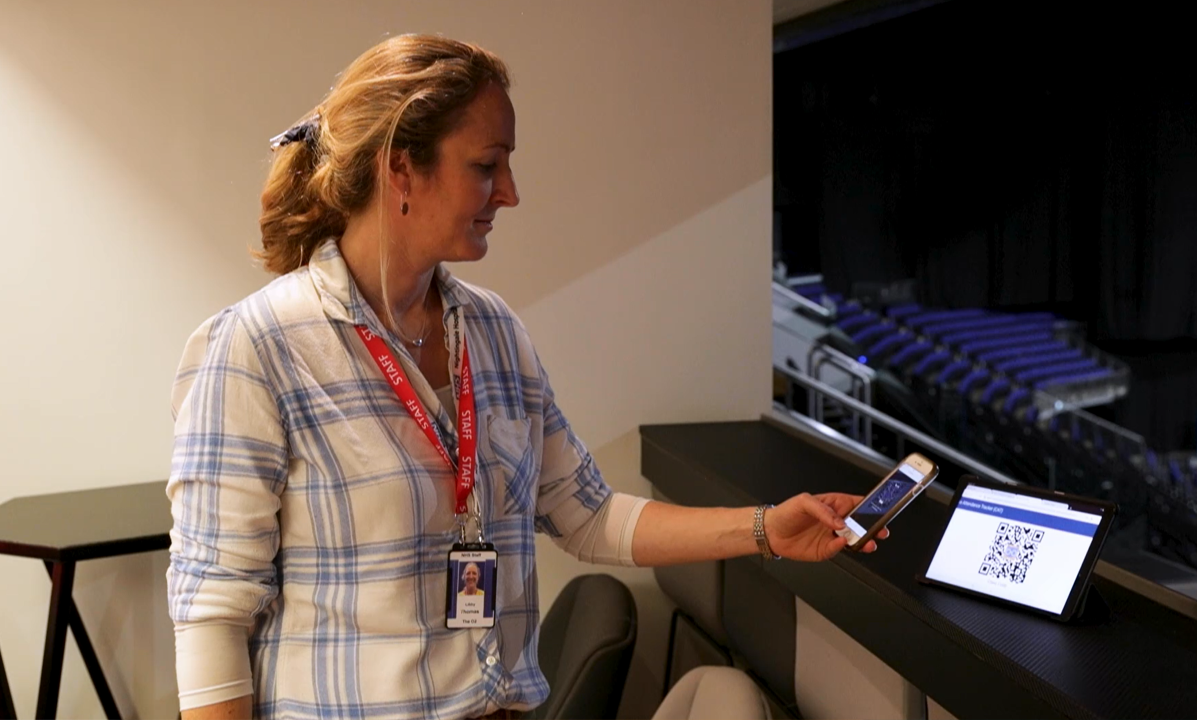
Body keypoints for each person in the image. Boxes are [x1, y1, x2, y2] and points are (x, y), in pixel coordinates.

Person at [166, 34, 887, 720]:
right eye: (487, 165)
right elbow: (212, 614)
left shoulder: (493, 330)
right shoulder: (257, 349)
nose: (509, 192)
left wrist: (767, 530)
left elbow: (588, 515)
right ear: (402, 169)